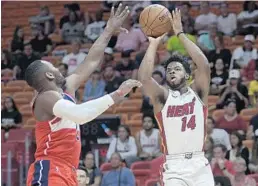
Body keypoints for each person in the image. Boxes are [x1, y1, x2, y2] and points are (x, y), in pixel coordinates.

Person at [25, 5, 141, 186]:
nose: (58, 68)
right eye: (54, 67)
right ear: (49, 75)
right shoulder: (45, 98)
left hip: (68, 171)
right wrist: (117, 94)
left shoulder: (66, 89)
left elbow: (92, 61)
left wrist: (108, 30)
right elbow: (81, 115)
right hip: (50, 169)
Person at [138, 9, 214, 186]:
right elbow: (143, 78)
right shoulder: (163, 97)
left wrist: (180, 33)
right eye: (169, 69)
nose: (172, 71)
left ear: (188, 76)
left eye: (177, 68)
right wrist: (153, 44)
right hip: (174, 164)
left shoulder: (198, 92)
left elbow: (203, 65)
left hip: (199, 163)